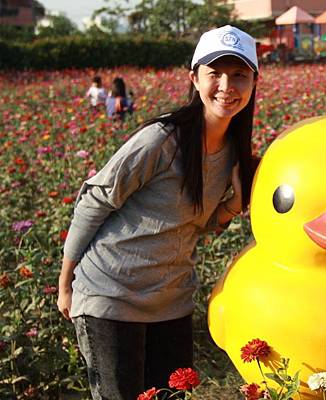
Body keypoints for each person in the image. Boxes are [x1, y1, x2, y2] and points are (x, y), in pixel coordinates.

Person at [57, 25, 259, 399]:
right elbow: (95, 199)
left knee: (173, 396)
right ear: (194, 79)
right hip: (111, 296)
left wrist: (233, 204)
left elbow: (193, 225)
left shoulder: (233, 151)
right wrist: (65, 282)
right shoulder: (162, 140)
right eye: (215, 73)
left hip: (170, 301)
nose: (227, 86)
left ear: (253, 82)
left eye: (239, 75)